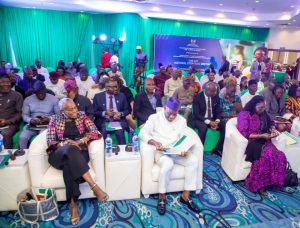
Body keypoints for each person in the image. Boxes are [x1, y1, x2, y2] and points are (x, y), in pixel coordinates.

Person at [47, 98, 108, 225]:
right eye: (71, 109)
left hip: (79, 152)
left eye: (75, 107)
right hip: (59, 154)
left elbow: (95, 131)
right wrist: (66, 144)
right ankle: (94, 186)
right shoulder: (54, 119)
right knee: (70, 149)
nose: (75, 110)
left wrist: (80, 141)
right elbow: (51, 141)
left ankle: (73, 204)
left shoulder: (82, 116)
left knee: (69, 165)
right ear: (62, 110)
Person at [139, 97, 202, 215]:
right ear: (164, 108)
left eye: (175, 114)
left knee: (193, 160)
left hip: (177, 152)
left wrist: (185, 149)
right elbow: (142, 133)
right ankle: (162, 196)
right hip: (161, 151)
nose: (172, 117)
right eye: (170, 113)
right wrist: (154, 142)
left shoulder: (182, 120)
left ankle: (185, 195)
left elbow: (185, 137)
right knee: (168, 164)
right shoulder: (154, 118)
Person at [237, 95, 286, 195]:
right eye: (260, 108)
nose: (262, 110)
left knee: (279, 155)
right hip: (252, 143)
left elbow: (271, 122)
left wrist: (273, 128)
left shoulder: (263, 113)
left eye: (264, 107)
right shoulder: (244, 114)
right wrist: (261, 135)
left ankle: (273, 181)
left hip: (265, 140)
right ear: (254, 105)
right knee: (266, 156)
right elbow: (244, 133)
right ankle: (259, 184)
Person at [19, 81, 60, 149]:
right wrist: (31, 120)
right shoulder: (28, 100)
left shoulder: (54, 99)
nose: (40, 95)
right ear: (34, 93)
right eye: (38, 93)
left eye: (42, 93)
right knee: (22, 137)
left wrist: (49, 119)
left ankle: (42, 156)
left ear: (45, 91)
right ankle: (23, 154)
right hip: (33, 124)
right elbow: (24, 115)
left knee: (42, 137)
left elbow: (58, 115)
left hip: (47, 124)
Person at [93, 78, 129, 144]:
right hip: (104, 121)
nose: (115, 88)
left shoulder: (122, 96)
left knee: (119, 131)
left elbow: (127, 110)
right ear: (106, 87)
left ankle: (123, 150)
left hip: (119, 121)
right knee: (104, 130)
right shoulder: (98, 97)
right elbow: (94, 112)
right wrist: (105, 113)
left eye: (116, 86)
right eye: (113, 87)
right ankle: (101, 151)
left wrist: (120, 114)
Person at [218, 76, 242, 154]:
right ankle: (220, 148)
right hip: (224, 119)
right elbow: (219, 113)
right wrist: (231, 116)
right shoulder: (221, 97)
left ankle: (236, 148)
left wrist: (233, 101)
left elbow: (240, 110)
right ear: (226, 87)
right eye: (232, 86)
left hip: (235, 118)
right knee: (227, 126)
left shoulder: (237, 97)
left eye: (235, 86)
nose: (234, 88)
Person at [0, 73, 23, 148]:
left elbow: (19, 113)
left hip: (10, 124)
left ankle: (7, 156)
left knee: (5, 133)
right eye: (2, 82)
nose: (6, 84)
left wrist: (7, 121)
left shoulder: (17, 95)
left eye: (8, 82)